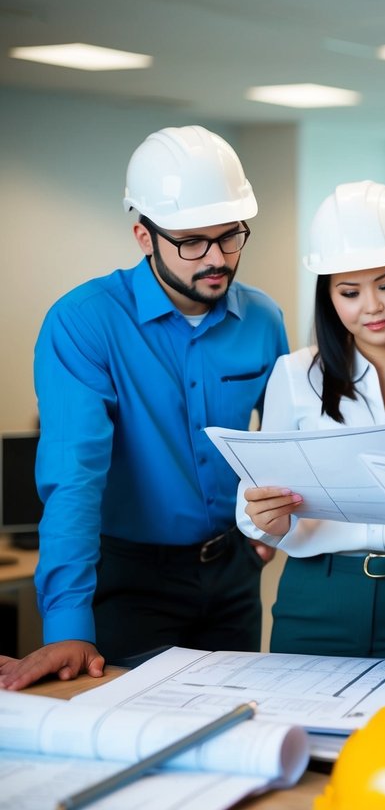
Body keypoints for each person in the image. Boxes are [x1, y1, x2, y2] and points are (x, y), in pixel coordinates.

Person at [0, 126, 289, 691]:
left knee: (237, 725)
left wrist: (264, 537)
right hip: (130, 579)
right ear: (143, 235)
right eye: (191, 241)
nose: (216, 259)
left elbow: (282, 442)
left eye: (230, 237)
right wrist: (65, 624)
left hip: (233, 573)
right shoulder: (84, 322)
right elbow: (73, 477)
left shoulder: (263, 319)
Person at [238, 180, 385, 661]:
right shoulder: (295, 375)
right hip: (315, 598)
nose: (372, 306)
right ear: (328, 296)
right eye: (349, 292)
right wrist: (262, 518)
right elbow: (253, 504)